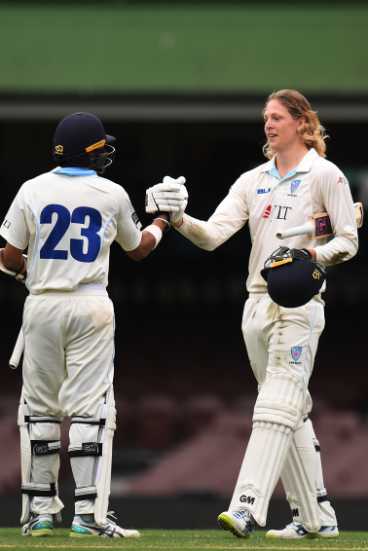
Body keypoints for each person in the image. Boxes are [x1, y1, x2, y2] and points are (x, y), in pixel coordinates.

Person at [145, 89, 358, 538]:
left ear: (302, 123)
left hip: (300, 303)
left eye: (277, 117)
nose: (268, 124)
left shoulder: (326, 175)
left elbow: (348, 240)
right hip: (256, 304)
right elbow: (213, 236)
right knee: (289, 410)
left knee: (276, 403)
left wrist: (312, 260)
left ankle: (246, 506)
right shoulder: (251, 180)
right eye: (266, 117)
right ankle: (316, 519)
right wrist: (179, 217)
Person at [0, 112, 186, 538]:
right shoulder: (112, 192)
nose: (106, 151)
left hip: (42, 303)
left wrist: (35, 273)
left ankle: (41, 512)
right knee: (88, 411)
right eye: (101, 146)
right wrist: (160, 220)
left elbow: (9, 257)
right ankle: (87, 515)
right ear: (91, 151)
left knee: (40, 410)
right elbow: (138, 250)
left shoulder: (31, 189)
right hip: (90, 305)